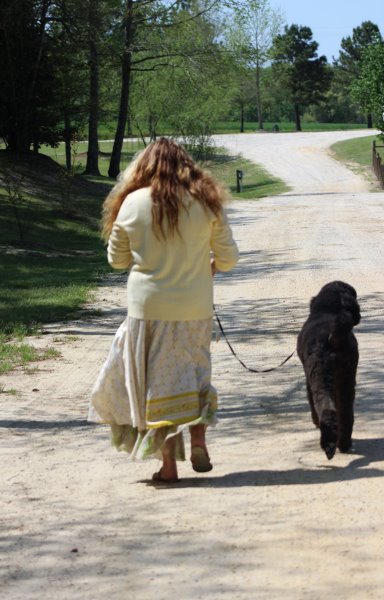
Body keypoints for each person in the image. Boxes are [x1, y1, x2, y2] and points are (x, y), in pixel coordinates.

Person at [88, 138, 238, 482]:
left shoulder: (132, 203)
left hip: (148, 309)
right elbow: (229, 258)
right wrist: (210, 266)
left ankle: (168, 467)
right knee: (195, 374)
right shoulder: (205, 201)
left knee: (157, 385)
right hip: (195, 308)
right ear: (186, 166)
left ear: (143, 167)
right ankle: (198, 439)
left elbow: (116, 261)